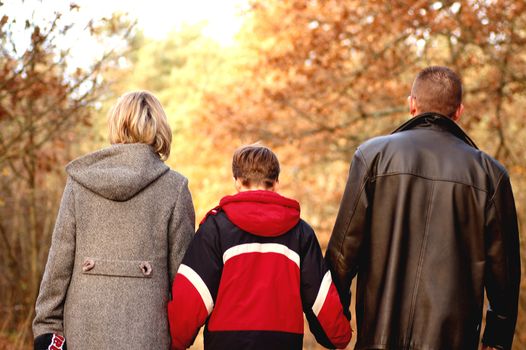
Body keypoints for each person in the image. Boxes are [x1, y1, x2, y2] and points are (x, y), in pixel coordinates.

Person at [326, 66, 521, 350]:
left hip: (377, 339)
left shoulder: (372, 157)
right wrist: (496, 338)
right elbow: (504, 273)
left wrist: (336, 322)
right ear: (459, 112)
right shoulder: (490, 175)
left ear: (412, 104)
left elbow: (342, 255)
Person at [33, 91, 195, 350]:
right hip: (149, 337)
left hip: (82, 335)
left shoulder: (80, 182)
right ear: (159, 128)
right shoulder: (175, 188)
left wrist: (46, 328)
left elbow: (59, 264)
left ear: (116, 124)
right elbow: (183, 281)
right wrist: (179, 340)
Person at [167, 144, 352, 350]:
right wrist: (339, 336)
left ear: (237, 181)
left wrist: (174, 342)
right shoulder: (301, 232)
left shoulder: (216, 228)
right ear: (275, 183)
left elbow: (193, 294)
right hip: (284, 342)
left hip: (227, 342)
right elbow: (320, 298)